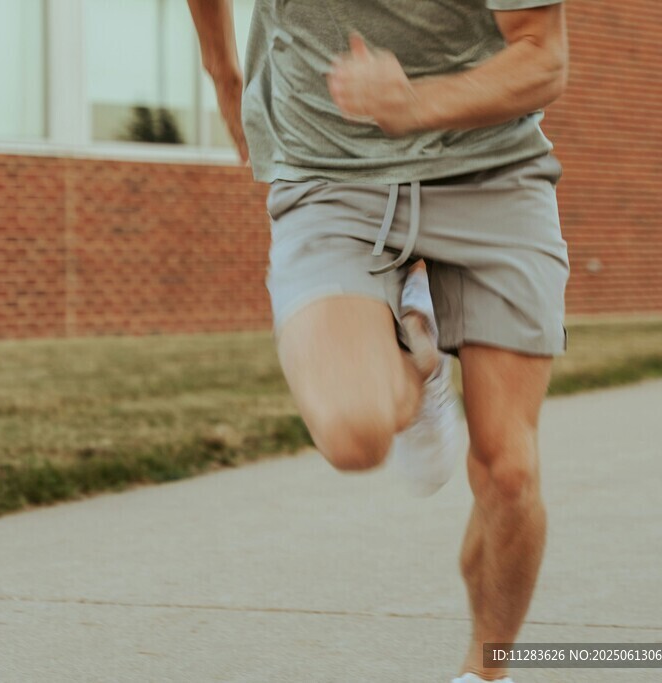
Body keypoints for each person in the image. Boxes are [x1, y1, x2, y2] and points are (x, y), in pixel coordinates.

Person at [188, 1, 569, 681]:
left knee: (508, 472)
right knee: (354, 434)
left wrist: (416, 101)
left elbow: (543, 56)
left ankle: (485, 671)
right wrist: (223, 71)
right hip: (331, 173)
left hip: (490, 170)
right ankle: (416, 347)